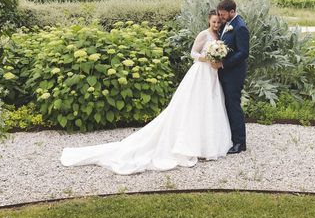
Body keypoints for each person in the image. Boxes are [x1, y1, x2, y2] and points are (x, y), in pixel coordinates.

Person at [60, 10, 232, 175]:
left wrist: (217, 58)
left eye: (218, 21)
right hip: (200, 73)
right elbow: (193, 53)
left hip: (212, 75)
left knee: (208, 106)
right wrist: (206, 58)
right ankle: (188, 144)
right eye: (214, 21)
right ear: (209, 20)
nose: (216, 24)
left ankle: (206, 144)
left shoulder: (219, 36)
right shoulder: (203, 34)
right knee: (193, 106)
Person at [212, 0, 249, 154]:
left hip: (234, 75)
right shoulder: (227, 24)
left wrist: (223, 64)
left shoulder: (240, 27)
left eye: (223, 14)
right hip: (225, 74)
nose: (221, 17)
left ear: (232, 11)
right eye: (219, 14)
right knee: (227, 106)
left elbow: (243, 53)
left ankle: (240, 143)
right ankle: (230, 139)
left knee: (233, 107)